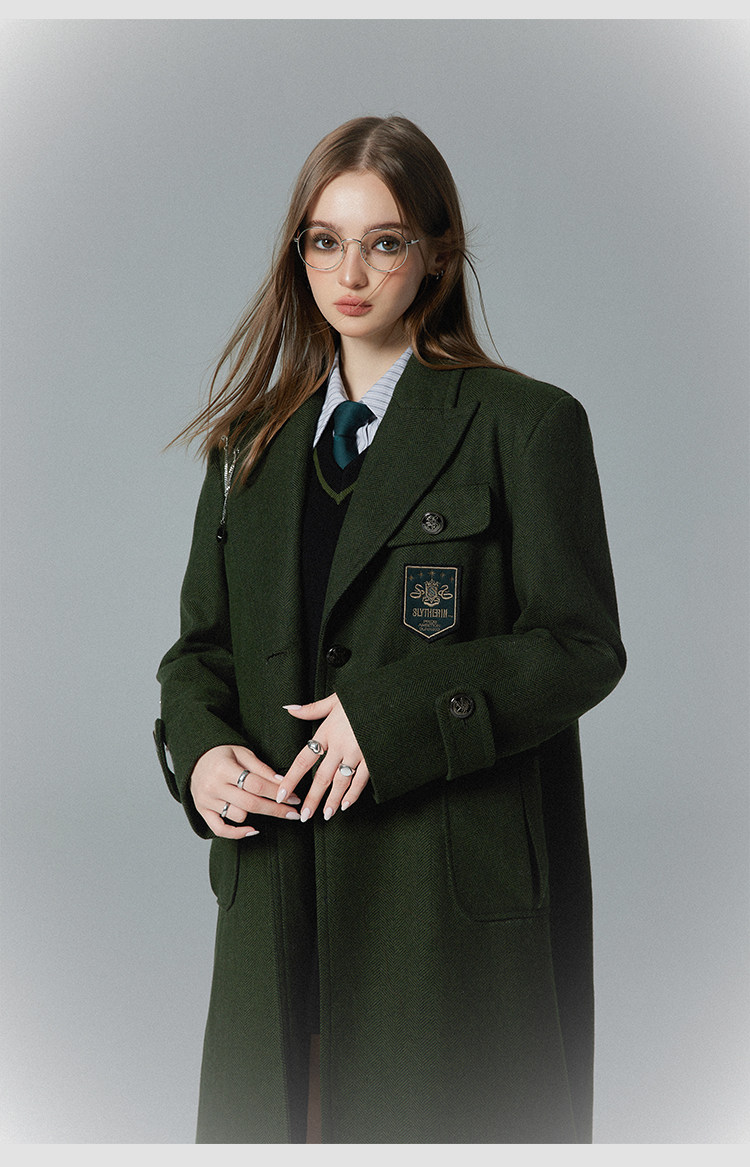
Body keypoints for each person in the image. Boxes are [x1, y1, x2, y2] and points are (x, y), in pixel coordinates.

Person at [155, 115, 625, 1145]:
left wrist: (396, 715)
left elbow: (580, 645)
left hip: (439, 918)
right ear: (299, 253)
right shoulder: (247, 446)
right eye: (325, 241)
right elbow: (199, 654)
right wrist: (202, 756)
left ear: (436, 255)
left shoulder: (526, 425)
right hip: (277, 899)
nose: (351, 272)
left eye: (385, 241)